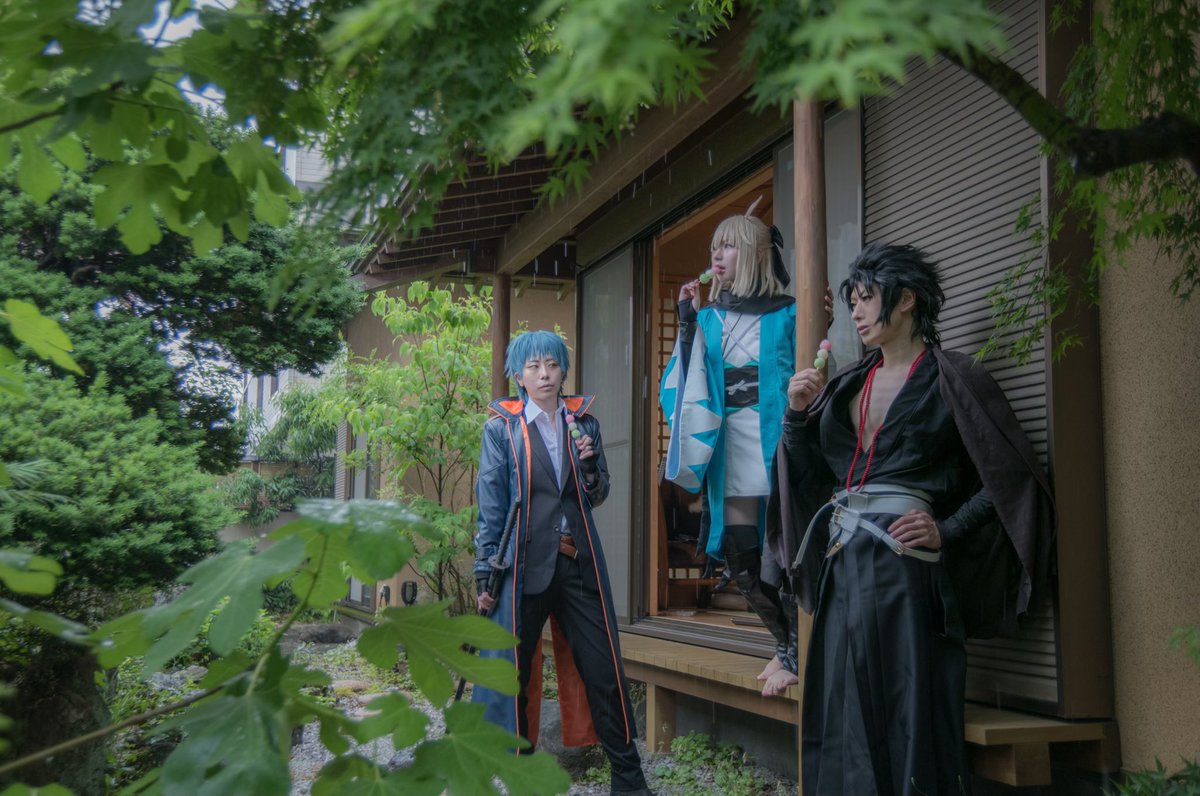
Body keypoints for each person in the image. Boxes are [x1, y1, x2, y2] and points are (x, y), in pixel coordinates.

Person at [770, 243, 1054, 795]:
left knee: (909, 711)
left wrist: (946, 530)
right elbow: (807, 477)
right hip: (843, 565)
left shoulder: (954, 379)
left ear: (905, 300)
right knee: (841, 708)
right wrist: (796, 415)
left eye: (865, 298)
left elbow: (1008, 478)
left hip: (908, 573)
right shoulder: (847, 384)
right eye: (852, 300)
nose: (855, 312)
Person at [473, 330, 651, 796]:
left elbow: (597, 493)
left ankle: (629, 781)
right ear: (518, 375)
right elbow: (491, 506)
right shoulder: (501, 429)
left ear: (563, 370)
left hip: (577, 564)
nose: (544, 374)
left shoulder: (583, 423)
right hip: (522, 568)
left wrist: (590, 468)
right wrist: (484, 572)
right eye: (533, 366)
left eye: (552, 364)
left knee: (603, 670)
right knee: (514, 675)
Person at [660, 202, 822, 696]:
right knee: (740, 558)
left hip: (779, 444)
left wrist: (824, 322)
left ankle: (794, 653)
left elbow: (818, 375)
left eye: (728, 245)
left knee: (788, 554)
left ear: (754, 253)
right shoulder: (707, 318)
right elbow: (683, 385)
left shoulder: (792, 312)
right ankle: (787, 645)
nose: (717, 254)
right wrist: (686, 322)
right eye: (715, 247)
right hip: (730, 448)